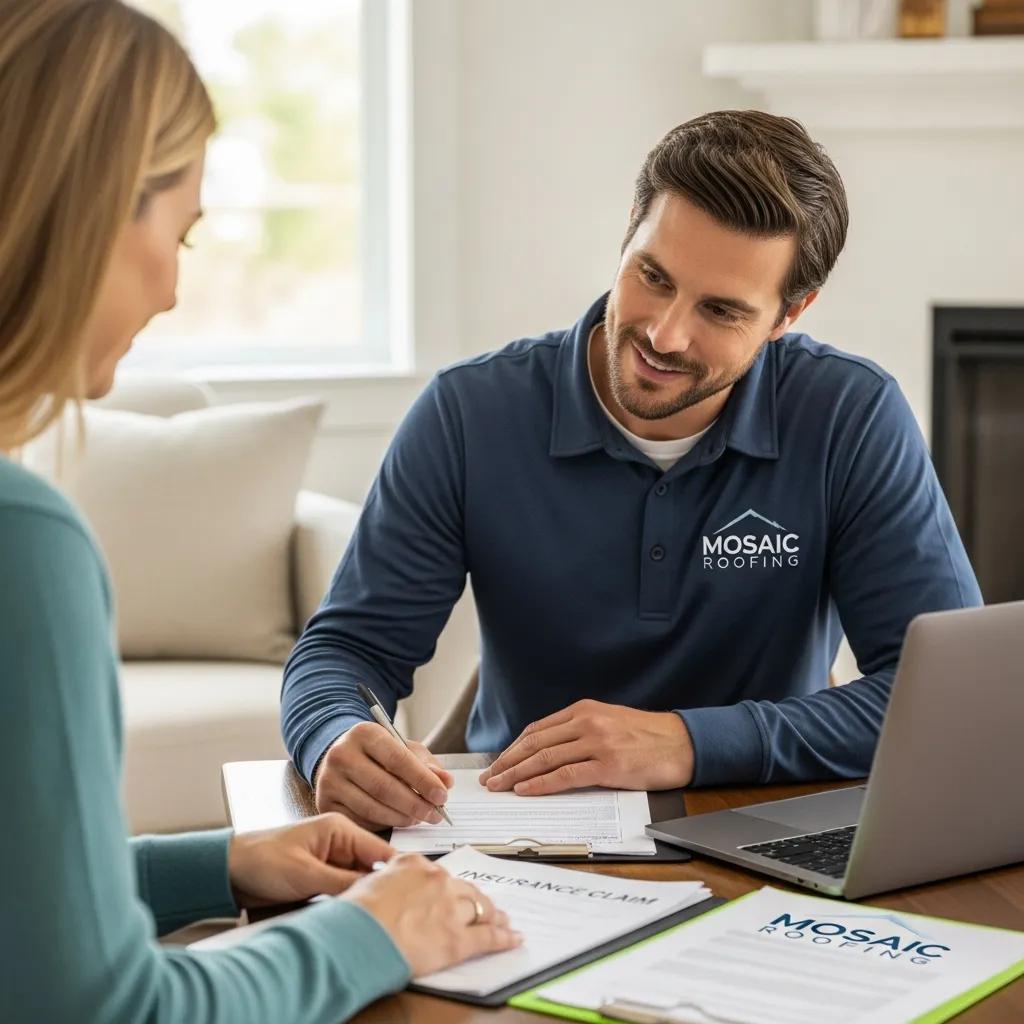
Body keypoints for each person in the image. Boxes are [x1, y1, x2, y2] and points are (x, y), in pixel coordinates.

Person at [0, 2, 520, 1021]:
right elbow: (102, 1008)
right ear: (91, 209)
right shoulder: (24, 542)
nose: (172, 292)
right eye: (178, 232)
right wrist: (370, 930)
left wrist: (212, 863)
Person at [282, 108, 982, 830]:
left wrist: (688, 743)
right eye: (652, 275)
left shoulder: (851, 417)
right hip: (517, 831)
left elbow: (951, 702)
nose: (663, 332)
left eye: (721, 310)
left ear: (788, 313)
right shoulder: (470, 413)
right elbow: (345, 651)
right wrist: (334, 734)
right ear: (628, 229)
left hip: (767, 826)